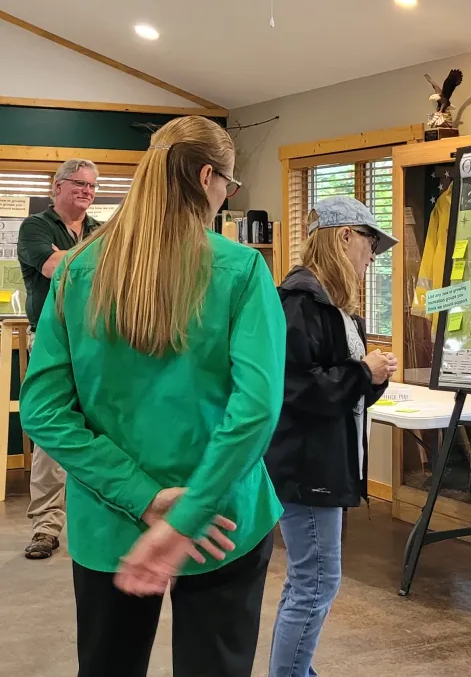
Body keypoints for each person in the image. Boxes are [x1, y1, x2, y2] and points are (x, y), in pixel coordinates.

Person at [19, 115, 286, 677]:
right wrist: (186, 512)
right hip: (222, 520)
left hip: (109, 523)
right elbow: (255, 409)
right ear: (209, 176)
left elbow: (43, 411)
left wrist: (141, 497)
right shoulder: (240, 269)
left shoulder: (75, 272)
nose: (225, 198)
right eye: (229, 187)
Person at [266, 195, 398, 677]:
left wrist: (371, 379)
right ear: (344, 236)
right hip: (307, 465)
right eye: (369, 244)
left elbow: (341, 393)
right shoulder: (301, 304)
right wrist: (362, 372)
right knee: (317, 581)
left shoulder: (336, 310)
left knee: (308, 579)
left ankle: (297, 668)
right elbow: (296, 389)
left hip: (323, 462)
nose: (371, 258)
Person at [16, 158, 102, 559]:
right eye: (79, 184)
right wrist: (87, 264)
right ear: (58, 187)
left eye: (92, 186)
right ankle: (47, 526)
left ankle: (107, 513)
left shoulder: (101, 230)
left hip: (98, 341)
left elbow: (115, 271)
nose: (86, 191)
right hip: (51, 342)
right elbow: (51, 267)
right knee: (52, 431)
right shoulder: (35, 227)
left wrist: (69, 262)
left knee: (102, 425)